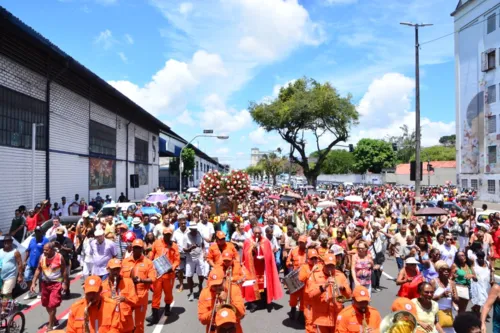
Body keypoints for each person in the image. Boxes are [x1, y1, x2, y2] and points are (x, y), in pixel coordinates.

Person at [241, 226, 283, 313]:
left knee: (264, 285)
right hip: (252, 268)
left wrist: (264, 257)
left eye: (259, 233)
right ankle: (253, 303)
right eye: (256, 233)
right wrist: (253, 249)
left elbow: (269, 254)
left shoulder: (265, 241)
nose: (257, 235)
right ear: (253, 233)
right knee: (252, 284)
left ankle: (263, 302)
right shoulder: (248, 241)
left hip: (263, 267)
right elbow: (245, 254)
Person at [306, 254, 352, 333]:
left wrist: (342, 288)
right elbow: (310, 294)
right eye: (328, 266)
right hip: (321, 318)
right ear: (323, 264)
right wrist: (323, 287)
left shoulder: (340, 275)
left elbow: (348, 295)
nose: (330, 268)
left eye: (332, 266)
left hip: (337, 315)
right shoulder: (315, 275)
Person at [31, 242, 68, 331]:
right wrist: (33, 282)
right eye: (44, 250)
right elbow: (38, 269)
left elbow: (64, 271)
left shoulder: (59, 257)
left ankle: (50, 325)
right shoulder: (42, 257)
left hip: (56, 284)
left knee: (52, 305)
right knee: (46, 304)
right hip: (45, 284)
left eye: (46, 250)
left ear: (51, 249)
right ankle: (54, 319)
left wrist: (64, 283)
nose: (44, 251)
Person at [121, 239, 156, 333]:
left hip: (141, 298)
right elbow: (120, 277)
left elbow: (152, 279)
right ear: (132, 248)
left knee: (139, 325)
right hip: (127, 298)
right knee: (125, 322)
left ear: (142, 249)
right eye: (135, 248)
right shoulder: (125, 262)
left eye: (139, 248)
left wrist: (141, 280)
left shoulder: (148, 263)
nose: (137, 250)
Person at [198, 267, 245, 333]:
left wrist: (229, 301)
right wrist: (213, 312)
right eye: (214, 285)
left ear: (224, 280)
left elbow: (241, 314)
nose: (217, 288)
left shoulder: (234, 289)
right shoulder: (204, 293)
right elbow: (202, 320)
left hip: (234, 329)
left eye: (219, 284)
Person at [148, 228, 180, 324]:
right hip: (157, 274)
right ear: (163, 234)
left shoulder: (174, 246)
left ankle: (167, 307)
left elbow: (177, 260)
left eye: (169, 234)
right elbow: (152, 254)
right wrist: (150, 263)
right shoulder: (157, 243)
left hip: (169, 274)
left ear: (171, 235)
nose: (167, 236)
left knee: (168, 292)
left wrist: (173, 267)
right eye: (166, 234)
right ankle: (155, 315)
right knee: (156, 294)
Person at [101, 259, 138, 333]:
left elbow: (135, 301)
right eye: (113, 269)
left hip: (126, 325)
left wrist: (125, 299)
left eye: (118, 269)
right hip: (110, 325)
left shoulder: (128, 282)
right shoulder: (103, 285)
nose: (116, 272)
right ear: (108, 270)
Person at [430, 260, 458, 333]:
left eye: (448, 270)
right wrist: (442, 295)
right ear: (439, 271)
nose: (446, 272)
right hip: (436, 312)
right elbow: (429, 299)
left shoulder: (452, 283)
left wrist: (454, 297)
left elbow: (457, 299)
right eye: (443, 270)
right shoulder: (433, 282)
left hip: (449, 312)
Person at [286, 235, 307, 320]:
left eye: (303, 243)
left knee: (303, 296)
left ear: (306, 243)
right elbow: (287, 261)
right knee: (293, 295)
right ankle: (293, 309)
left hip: (304, 277)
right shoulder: (293, 251)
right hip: (294, 277)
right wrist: (290, 264)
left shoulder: (308, 252)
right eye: (300, 242)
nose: (301, 244)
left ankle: (301, 313)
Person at [24, 226, 49, 299]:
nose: (37, 233)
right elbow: (28, 250)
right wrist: (25, 260)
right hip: (30, 263)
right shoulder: (32, 240)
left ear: (42, 232)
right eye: (36, 232)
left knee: (41, 278)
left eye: (39, 232)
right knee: (27, 277)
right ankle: (32, 292)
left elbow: (48, 251)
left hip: (41, 263)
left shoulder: (45, 240)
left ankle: (40, 292)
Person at [184, 221, 206, 301]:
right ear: (190, 229)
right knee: (189, 276)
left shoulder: (199, 234)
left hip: (199, 257)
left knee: (201, 274)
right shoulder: (186, 236)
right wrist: (190, 248)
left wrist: (204, 252)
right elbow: (184, 249)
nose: (194, 231)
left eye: (195, 229)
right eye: (193, 229)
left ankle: (200, 285)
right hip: (190, 258)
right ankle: (191, 292)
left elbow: (202, 244)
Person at [0, 236, 23, 311]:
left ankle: (3, 311)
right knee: (6, 293)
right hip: (1, 276)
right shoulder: (0, 251)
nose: (7, 243)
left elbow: (20, 264)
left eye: (9, 241)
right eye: (5, 241)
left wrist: (20, 276)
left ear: (11, 242)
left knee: (6, 293)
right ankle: (13, 304)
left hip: (11, 276)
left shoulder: (15, 252)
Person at [54, 227, 74, 297]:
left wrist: (61, 247)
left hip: (65, 262)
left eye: (59, 234)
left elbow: (70, 249)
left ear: (63, 234)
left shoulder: (67, 240)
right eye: (57, 234)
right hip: (57, 263)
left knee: (66, 277)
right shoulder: (55, 240)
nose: (58, 236)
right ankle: (59, 290)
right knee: (58, 278)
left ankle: (67, 290)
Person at [470, 250, 491, 318]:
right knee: (480, 298)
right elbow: (472, 268)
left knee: (484, 298)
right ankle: (477, 313)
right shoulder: (474, 262)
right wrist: (474, 275)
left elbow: (491, 270)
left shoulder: (487, 263)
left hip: (485, 283)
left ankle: (475, 308)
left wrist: (492, 278)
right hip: (477, 283)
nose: (481, 259)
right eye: (479, 257)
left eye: (482, 257)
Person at [173, 214, 188, 291]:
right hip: (179, 254)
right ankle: (181, 284)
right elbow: (173, 243)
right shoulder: (175, 232)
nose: (183, 224)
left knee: (189, 270)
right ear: (179, 223)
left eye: (184, 223)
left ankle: (189, 283)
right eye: (181, 223)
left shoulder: (189, 230)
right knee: (179, 271)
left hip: (189, 253)